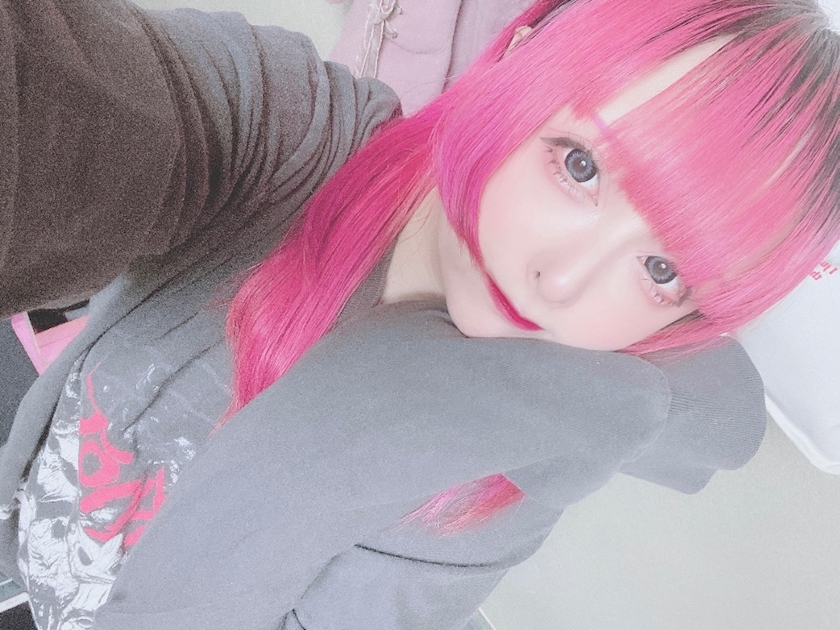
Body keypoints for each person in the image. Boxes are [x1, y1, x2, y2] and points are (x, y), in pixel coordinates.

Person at [0, 0, 836, 628]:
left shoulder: (501, 465)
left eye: (663, 270)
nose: (560, 282)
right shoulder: (283, 136)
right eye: (580, 166)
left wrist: (351, 438)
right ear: (515, 61)